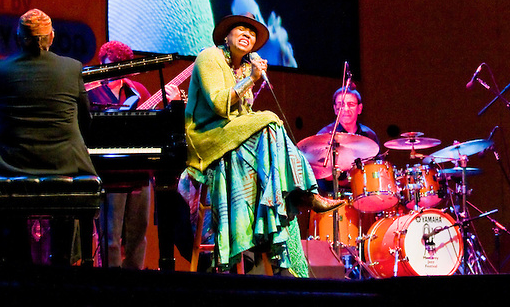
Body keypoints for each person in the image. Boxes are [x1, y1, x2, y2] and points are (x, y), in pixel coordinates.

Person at [184, 14, 343, 275]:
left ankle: (283, 261)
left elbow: (243, 114)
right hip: (208, 136)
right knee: (270, 120)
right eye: (241, 29)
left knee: (272, 170)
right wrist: (252, 80)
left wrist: (251, 78)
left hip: (234, 137)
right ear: (226, 36)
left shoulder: (246, 67)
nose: (247, 34)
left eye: (252, 32)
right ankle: (306, 193)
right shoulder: (209, 57)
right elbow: (218, 105)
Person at [0, 8, 97, 265]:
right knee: (67, 202)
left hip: (10, 164)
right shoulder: (72, 68)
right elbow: (85, 121)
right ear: (51, 37)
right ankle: (65, 262)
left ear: (18, 38)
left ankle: (9, 264)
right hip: (64, 163)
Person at [86, 40, 180, 269]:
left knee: (138, 235)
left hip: (141, 169)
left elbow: (155, 128)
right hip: (111, 170)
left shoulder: (139, 91)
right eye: (111, 67)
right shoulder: (90, 91)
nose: (116, 74)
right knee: (110, 237)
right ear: (102, 64)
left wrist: (173, 103)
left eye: (122, 68)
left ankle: (136, 284)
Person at [315, 84, 380, 195]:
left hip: (365, 194)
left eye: (351, 104)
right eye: (341, 105)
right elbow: (320, 174)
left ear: (359, 109)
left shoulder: (369, 136)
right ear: (335, 109)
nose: (345, 109)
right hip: (333, 197)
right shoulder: (324, 136)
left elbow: (377, 169)